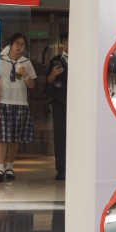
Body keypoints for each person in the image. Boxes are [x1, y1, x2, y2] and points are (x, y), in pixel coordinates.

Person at [0, 33, 37, 181]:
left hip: (20, 102)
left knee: (14, 137)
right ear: (11, 44)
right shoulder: (0, 61)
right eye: (17, 43)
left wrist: (25, 75)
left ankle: (10, 166)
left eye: (22, 44)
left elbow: (31, 85)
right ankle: (0, 167)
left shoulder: (26, 62)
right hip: (2, 102)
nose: (19, 47)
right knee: (1, 137)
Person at [45, 34, 69, 181]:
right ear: (62, 44)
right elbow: (48, 81)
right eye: (65, 42)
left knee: (78, 135)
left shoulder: (82, 59)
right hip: (59, 102)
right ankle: (61, 169)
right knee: (60, 135)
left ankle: (76, 167)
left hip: (78, 103)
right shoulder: (55, 60)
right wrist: (53, 74)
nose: (68, 45)